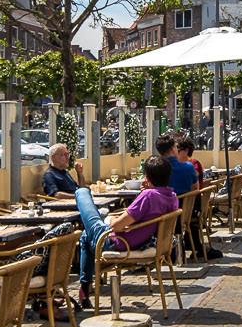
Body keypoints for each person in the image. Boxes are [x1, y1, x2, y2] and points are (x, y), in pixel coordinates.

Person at [71, 155, 178, 308]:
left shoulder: (148, 196)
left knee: (83, 196)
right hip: (141, 241)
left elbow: (116, 226)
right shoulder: (171, 197)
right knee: (85, 236)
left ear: (147, 176)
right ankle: (85, 288)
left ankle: (85, 287)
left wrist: (111, 220)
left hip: (118, 243)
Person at [155, 132, 199, 199]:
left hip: (163, 207)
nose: (177, 149)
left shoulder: (156, 169)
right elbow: (195, 188)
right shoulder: (189, 167)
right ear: (173, 149)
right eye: (176, 146)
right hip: (185, 207)